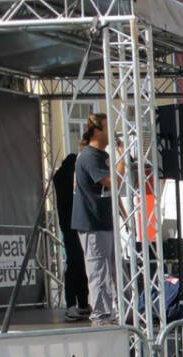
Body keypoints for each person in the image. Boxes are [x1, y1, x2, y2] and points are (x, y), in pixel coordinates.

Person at [71, 113, 118, 327]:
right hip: (92, 223)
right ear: (98, 130)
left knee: (112, 269)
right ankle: (101, 316)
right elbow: (112, 182)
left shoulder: (101, 155)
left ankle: (114, 311)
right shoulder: (89, 156)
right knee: (99, 271)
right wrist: (122, 156)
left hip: (104, 221)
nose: (113, 132)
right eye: (109, 128)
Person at [52, 153, 90, 322]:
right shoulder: (65, 179)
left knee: (79, 264)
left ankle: (81, 303)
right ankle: (73, 305)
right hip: (73, 226)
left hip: (72, 226)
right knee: (76, 264)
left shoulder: (62, 177)